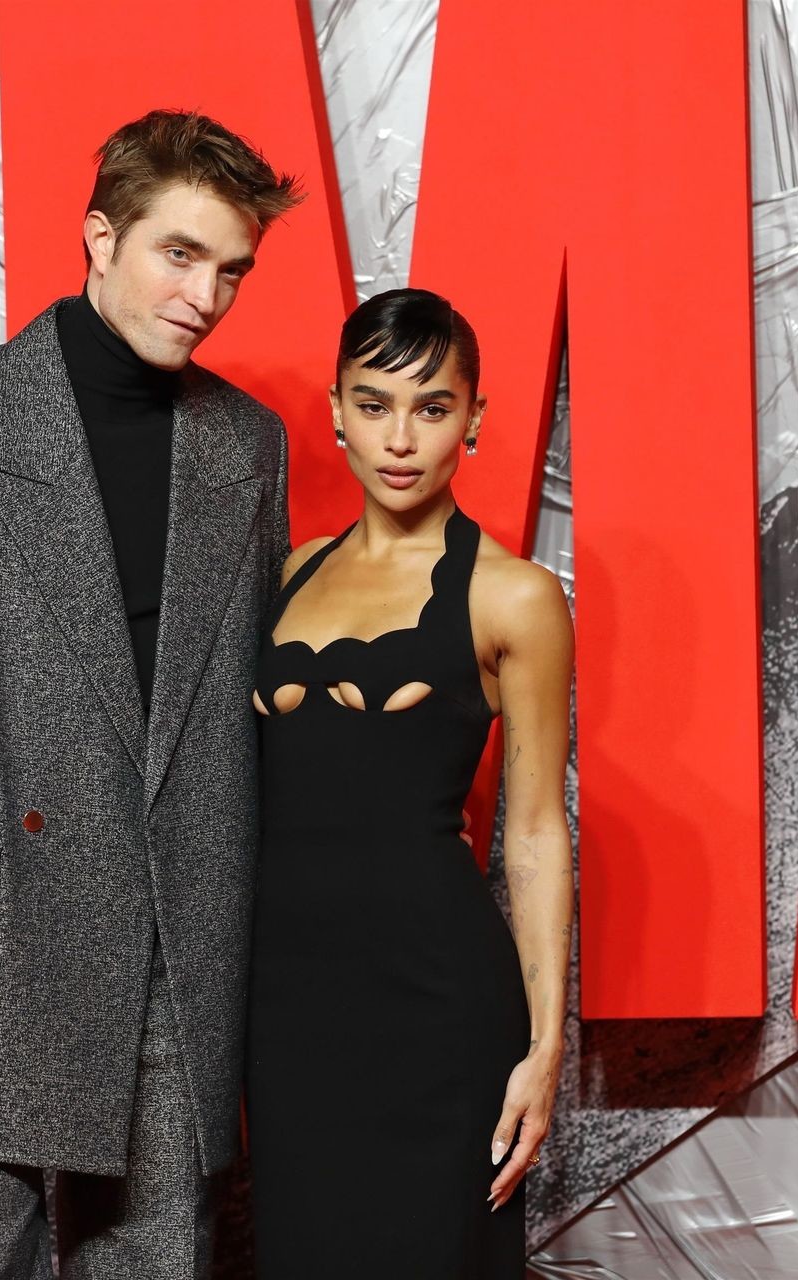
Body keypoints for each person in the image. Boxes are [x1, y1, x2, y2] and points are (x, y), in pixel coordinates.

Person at [0, 110, 302, 1278]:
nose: (205, 296)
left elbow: (250, 713)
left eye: (231, 270)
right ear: (101, 237)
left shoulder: (248, 444)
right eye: (179, 254)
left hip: (177, 961)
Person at [245, 288, 574, 1276]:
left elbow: (533, 830)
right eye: (374, 403)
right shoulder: (289, 573)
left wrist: (546, 1048)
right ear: (336, 410)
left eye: (432, 408)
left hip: (437, 1007)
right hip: (286, 1010)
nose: (400, 438)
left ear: (473, 418)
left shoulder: (514, 594)